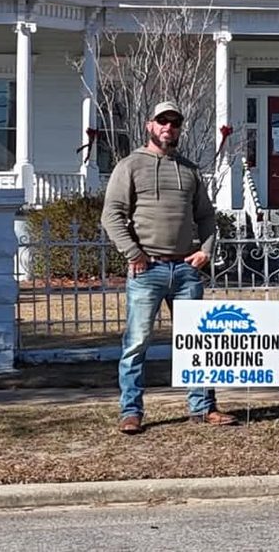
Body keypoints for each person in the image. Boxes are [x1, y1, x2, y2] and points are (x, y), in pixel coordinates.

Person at [101, 100, 237, 434]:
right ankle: (131, 412)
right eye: (162, 121)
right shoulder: (130, 165)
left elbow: (206, 216)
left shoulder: (189, 170)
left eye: (174, 123)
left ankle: (203, 408)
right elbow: (112, 215)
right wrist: (134, 254)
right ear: (150, 125)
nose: (168, 128)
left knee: (197, 342)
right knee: (137, 343)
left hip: (186, 271)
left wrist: (205, 250)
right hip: (147, 271)